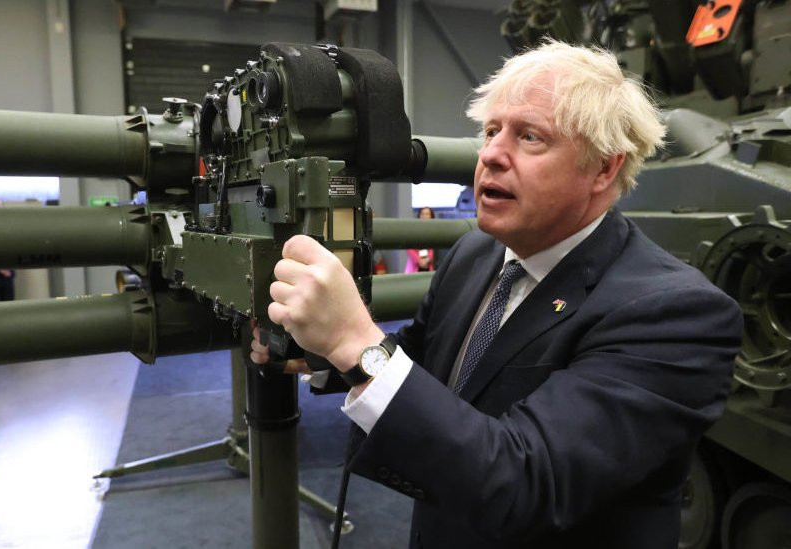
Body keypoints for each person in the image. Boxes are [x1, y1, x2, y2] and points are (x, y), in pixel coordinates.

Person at [250, 40, 741, 548]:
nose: (490, 156)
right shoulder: (476, 253)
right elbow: (421, 366)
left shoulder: (677, 314)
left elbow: (528, 482)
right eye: (490, 132)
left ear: (603, 168)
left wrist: (354, 341)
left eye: (530, 136)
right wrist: (324, 353)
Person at [405, 207, 436, 273]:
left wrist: (428, 259)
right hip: (414, 267)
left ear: (431, 217)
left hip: (429, 266)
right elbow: (409, 247)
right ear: (419, 216)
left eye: (427, 214)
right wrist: (419, 261)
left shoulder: (435, 231)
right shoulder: (413, 230)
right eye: (422, 214)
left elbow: (434, 249)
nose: (424, 216)